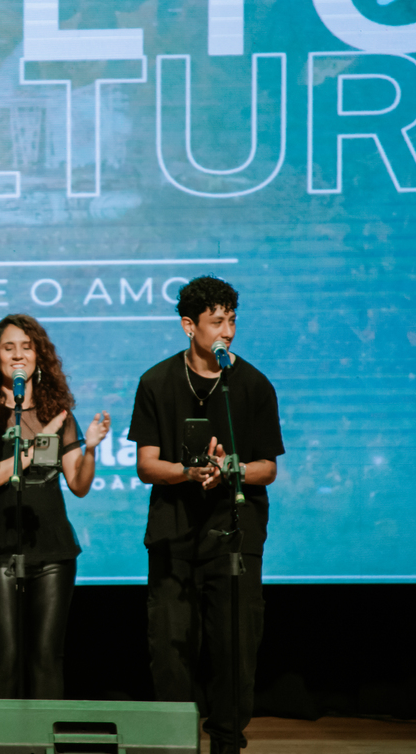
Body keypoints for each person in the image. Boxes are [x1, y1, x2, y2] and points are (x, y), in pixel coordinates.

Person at [127, 277, 284, 754]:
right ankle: (175, 743)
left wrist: (231, 468)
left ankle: (227, 743)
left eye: (232, 320)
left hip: (235, 536)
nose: (227, 332)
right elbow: (146, 465)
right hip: (173, 535)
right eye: (217, 321)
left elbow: (268, 467)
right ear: (188, 325)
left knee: (235, 650)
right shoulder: (156, 382)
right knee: (169, 650)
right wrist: (188, 473)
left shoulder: (253, 384)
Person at [0, 315, 111, 700]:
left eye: (27, 347)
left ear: (39, 356)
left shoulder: (57, 413)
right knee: (5, 657)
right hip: (0, 549)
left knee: (47, 658)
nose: (18, 355)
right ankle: (1, 735)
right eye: (9, 347)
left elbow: (78, 485)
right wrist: (31, 451)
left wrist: (91, 449)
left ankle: (44, 733)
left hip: (54, 551)